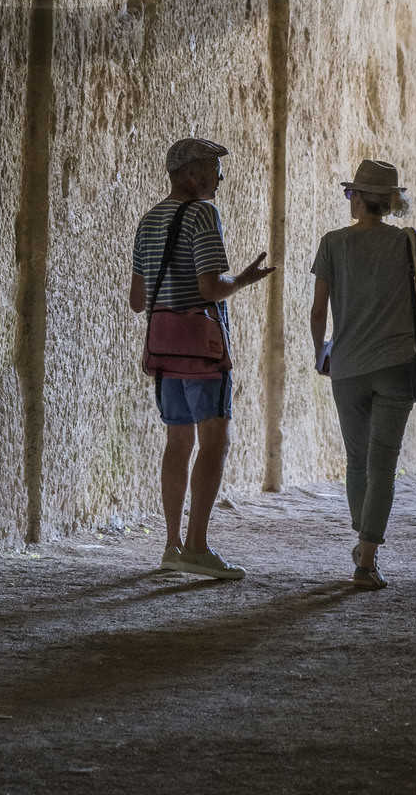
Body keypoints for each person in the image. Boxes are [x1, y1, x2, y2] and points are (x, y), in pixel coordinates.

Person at [128, 135, 272, 581]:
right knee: (215, 442)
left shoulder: (149, 220)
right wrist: (243, 279)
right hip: (202, 351)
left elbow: (137, 300)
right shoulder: (204, 214)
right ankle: (197, 546)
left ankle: (172, 544)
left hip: (164, 349)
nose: (220, 179)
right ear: (193, 175)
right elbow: (211, 287)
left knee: (177, 443)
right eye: (215, 170)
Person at [309, 155, 416, 590]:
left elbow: (318, 310)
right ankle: (366, 560)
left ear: (360, 198)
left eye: (350, 192)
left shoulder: (332, 243)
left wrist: (320, 352)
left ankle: (363, 537)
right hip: (397, 366)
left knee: (357, 459)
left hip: (346, 367)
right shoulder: (408, 242)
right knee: (384, 462)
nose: (349, 198)